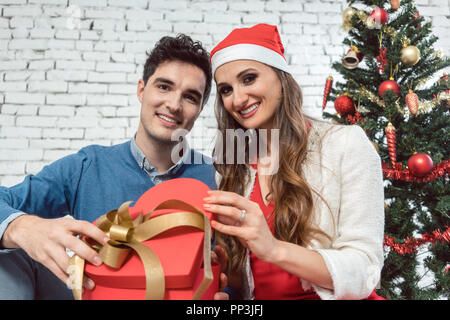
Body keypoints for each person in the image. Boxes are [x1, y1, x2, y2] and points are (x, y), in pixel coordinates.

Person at [0, 34, 228, 300]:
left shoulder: (218, 179)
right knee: (9, 253)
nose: (174, 105)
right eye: (164, 87)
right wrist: (23, 227)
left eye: (189, 97)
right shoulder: (86, 167)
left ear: (200, 109)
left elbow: (236, 273)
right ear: (142, 90)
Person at [203, 24, 385, 300]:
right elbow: (256, 281)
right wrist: (227, 270)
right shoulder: (235, 170)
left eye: (249, 79)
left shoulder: (344, 144)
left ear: (281, 76)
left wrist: (273, 249)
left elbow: (365, 270)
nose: (238, 99)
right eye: (226, 90)